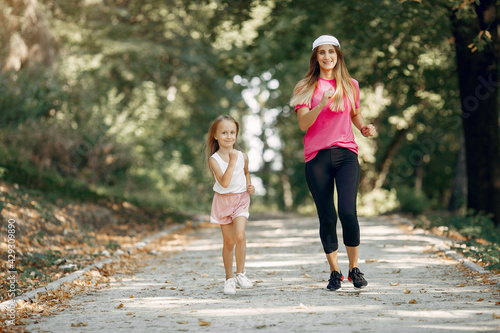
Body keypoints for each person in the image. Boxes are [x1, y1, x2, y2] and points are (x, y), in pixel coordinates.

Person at [290, 35, 376, 291]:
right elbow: (303, 124)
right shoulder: (305, 86)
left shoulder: (351, 85)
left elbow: (355, 114)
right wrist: (323, 104)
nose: (327, 57)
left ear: (338, 55)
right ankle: (335, 272)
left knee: (348, 212)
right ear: (315, 57)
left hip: (346, 154)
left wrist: (364, 128)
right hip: (316, 157)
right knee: (327, 217)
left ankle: (354, 269)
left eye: (331, 52)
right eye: (321, 53)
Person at [205, 115, 256, 295]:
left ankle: (241, 273)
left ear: (236, 134)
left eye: (232, 132)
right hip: (223, 201)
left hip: (241, 199)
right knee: (228, 242)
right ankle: (229, 279)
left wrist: (249, 185)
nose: (229, 136)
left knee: (240, 236)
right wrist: (232, 161)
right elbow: (224, 182)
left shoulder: (243, 156)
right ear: (216, 135)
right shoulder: (214, 159)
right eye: (224, 132)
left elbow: (246, 172)